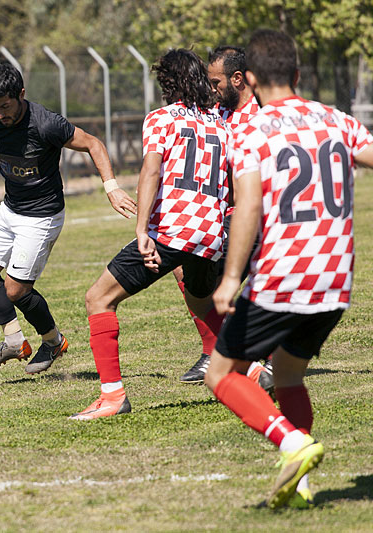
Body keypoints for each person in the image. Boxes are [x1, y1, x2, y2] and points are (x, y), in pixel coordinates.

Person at [204, 29, 373, 509]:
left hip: (281, 277)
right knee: (289, 376)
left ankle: (290, 442)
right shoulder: (335, 119)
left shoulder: (251, 130)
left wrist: (231, 278)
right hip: (334, 280)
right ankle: (301, 485)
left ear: (249, 79)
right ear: (297, 74)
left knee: (220, 375)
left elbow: (247, 206)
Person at [71, 49, 231, 420]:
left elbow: (151, 171)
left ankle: (112, 396)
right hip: (211, 234)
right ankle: (251, 368)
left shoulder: (161, 119)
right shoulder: (221, 124)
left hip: (172, 231)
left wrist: (142, 229)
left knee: (98, 299)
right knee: (202, 301)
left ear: (167, 84)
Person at [0, 62, 136, 375]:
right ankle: (14, 341)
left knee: (16, 291)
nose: (0, 114)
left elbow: (93, 144)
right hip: (11, 207)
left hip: (42, 215)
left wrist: (111, 188)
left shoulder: (46, 123)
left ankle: (53, 341)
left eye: (5, 106)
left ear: (21, 94)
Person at [177, 46, 271, 388]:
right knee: (187, 264)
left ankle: (247, 355)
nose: (211, 87)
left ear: (237, 79)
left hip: (255, 214)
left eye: (215, 81)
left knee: (209, 274)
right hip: (223, 214)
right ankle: (216, 350)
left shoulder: (263, 117)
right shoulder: (218, 112)